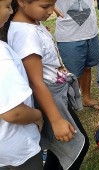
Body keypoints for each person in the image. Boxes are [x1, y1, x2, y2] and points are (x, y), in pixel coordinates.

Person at [5, 0, 89, 169]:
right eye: (45, 6)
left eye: (54, 4)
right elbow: (36, 81)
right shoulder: (25, 34)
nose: (52, 11)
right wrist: (56, 120)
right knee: (79, 146)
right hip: (50, 97)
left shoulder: (31, 23)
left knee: (59, 147)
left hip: (55, 93)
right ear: (21, 2)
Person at [0, 0, 43, 168]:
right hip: (17, 148)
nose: (11, 12)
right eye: (7, 6)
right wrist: (38, 116)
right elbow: (14, 113)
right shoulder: (1, 56)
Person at [55, 0, 99, 110]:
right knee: (68, 74)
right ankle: (65, 106)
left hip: (90, 31)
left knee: (87, 67)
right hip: (69, 35)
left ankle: (86, 98)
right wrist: (51, 6)